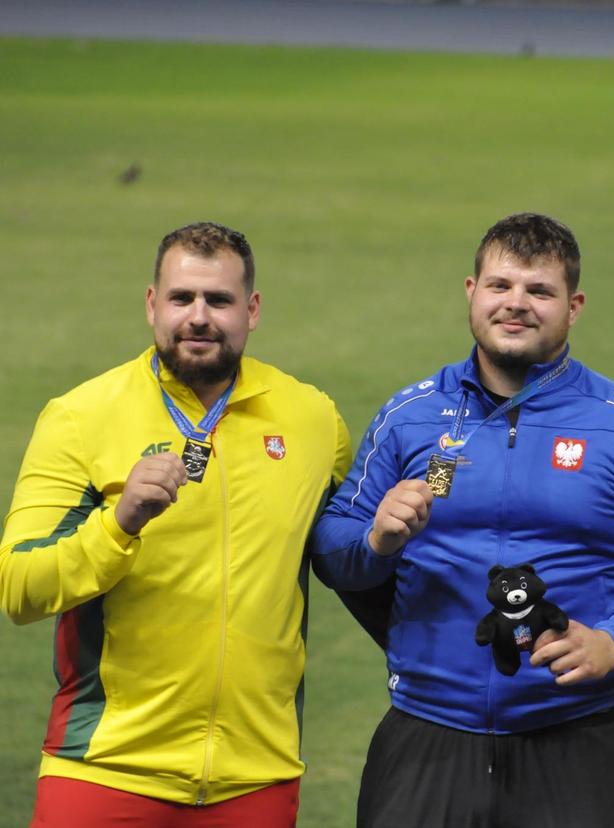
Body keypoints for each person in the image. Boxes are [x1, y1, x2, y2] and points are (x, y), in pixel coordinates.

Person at [311, 212, 614, 827]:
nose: (516, 304)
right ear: (471, 292)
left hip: (579, 741)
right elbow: (331, 545)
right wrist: (375, 541)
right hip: (427, 737)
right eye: (500, 285)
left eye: (540, 290)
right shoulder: (410, 417)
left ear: (573, 305)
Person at [0, 222, 351, 827]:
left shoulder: (313, 420)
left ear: (253, 309)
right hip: (106, 768)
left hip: (256, 778)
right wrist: (120, 522)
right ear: (151, 304)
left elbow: (347, 550)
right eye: (181, 297)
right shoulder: (81, 417)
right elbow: (19, 587)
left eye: (219, 300)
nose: (199, 317)